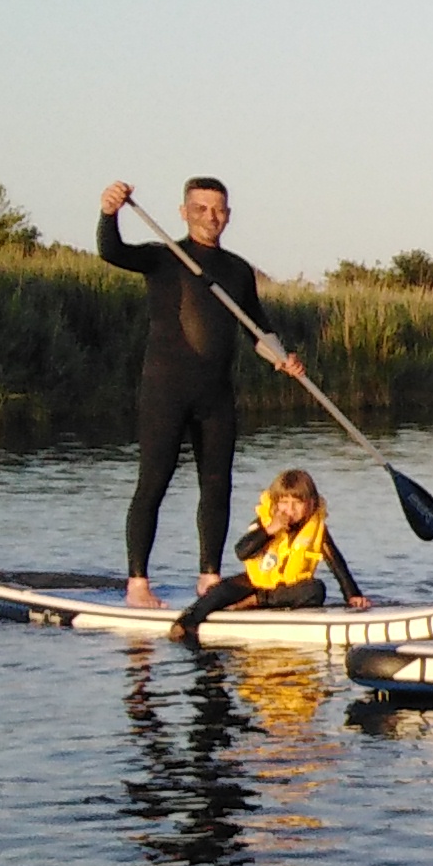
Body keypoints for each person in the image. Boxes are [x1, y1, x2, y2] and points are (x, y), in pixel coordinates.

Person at [98, 176, 305, 607]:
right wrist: (109, 212)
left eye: (219, 210)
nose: (211, 217)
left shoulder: (236, 270)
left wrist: (281, 358)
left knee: (217, 484)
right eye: (202, 209)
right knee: (153, 482)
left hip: (215, 395)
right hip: (165, 392)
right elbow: (111, 251)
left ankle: (208, 579)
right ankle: (138, 584)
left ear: (228, 214)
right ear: (184, 212)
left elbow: (257, 327)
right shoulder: (163, 258)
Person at [171, 468, 372, 639]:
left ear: (310, 504)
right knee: (219, 591)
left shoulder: (317, 529)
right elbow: (241, 552)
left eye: (297, 503)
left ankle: (257, 601)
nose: (290, 510)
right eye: (284, 502)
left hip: (288, 589)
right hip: (254, 582)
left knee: (316, 590)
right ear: (275, 503)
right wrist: (268, 531)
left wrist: (352, 595)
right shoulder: (265, 522)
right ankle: (187, 621)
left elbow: (336, 563)